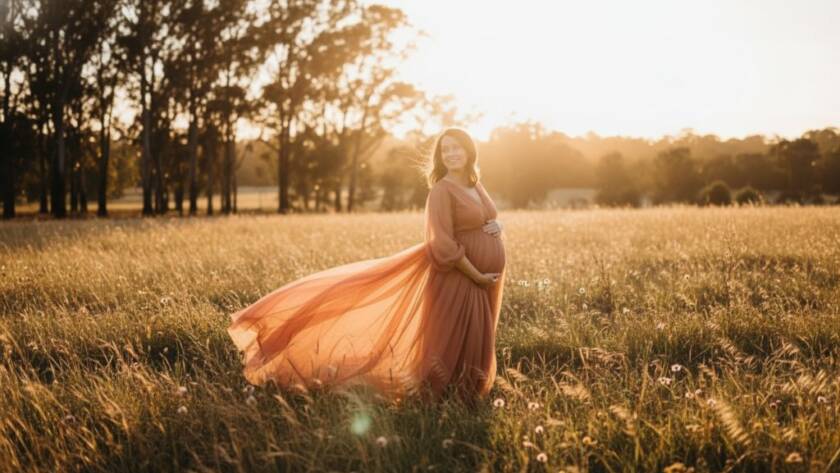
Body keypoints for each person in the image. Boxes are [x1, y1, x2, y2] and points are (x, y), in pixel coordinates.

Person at [226, 127, 506, 403]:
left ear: (469, 150)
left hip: (482, 278)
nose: (452, 154)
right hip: (459, 277)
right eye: (446, 149)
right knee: (451, 342)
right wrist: (477, 275)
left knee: (476, 337)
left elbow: (482, 218)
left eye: (457, 147)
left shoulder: (473, 183)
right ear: (440, 156)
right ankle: (439, 403)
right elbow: (443, 244)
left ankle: (467, 399)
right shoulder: (441, 191)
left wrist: (495, 224)